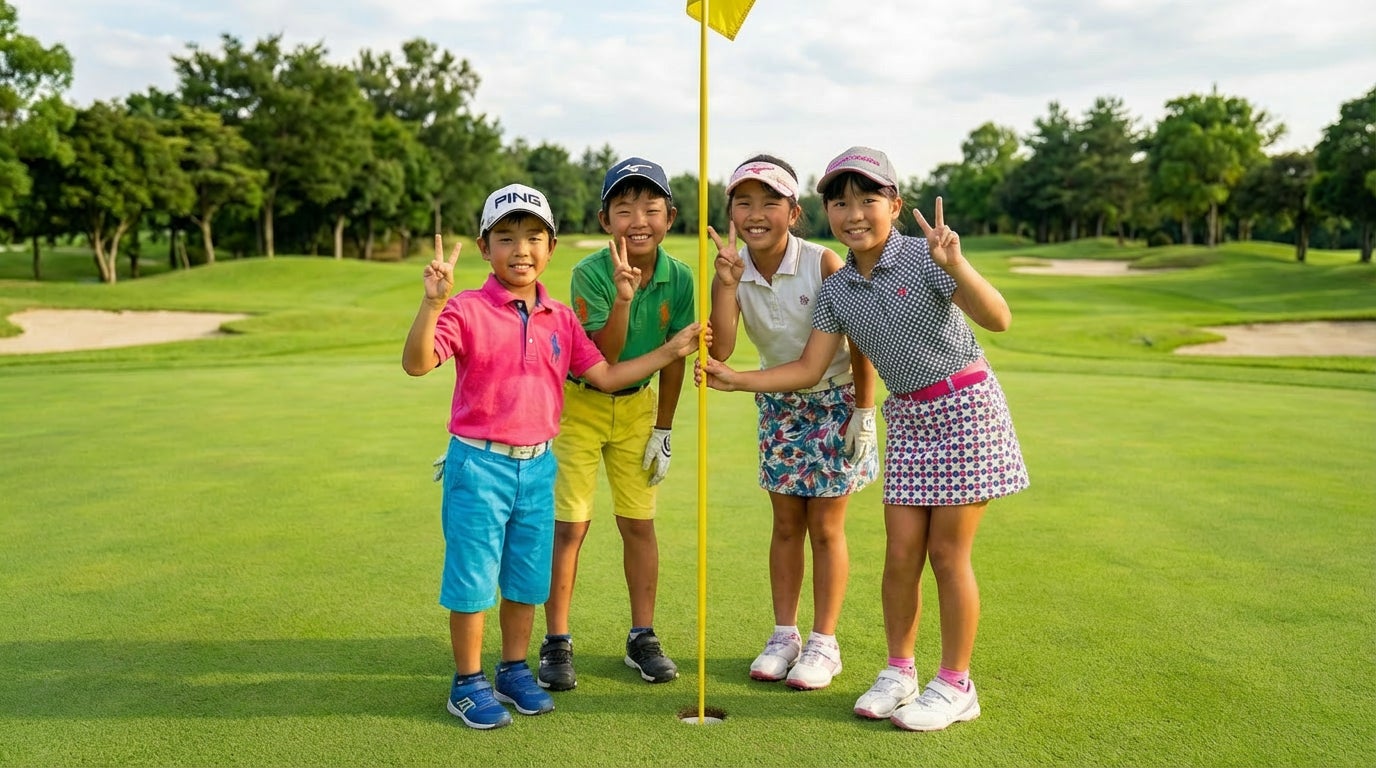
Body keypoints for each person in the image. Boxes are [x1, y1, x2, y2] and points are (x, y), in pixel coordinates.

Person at [698, 147, 1029, 731]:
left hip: (965, 408)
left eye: (868, 199)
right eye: (841, 201)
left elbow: (998, 318)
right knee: (901, 554)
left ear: (895, 205)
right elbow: (806, 368)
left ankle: (956, 684)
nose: (854, 212)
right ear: (824, 210)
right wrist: (737, 379)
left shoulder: (924, 257)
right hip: (909, 419)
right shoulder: (839, 288)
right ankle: (900, 671)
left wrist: (957, 266)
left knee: (948, 556)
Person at [402, 183, 701, 730]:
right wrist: (432, 301)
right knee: (473, 580)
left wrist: (667, 351)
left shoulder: (560, 317)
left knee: (525, 579)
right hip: (479, 464)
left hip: (538, 466)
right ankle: (466, 683)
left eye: (533, 236)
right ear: (485, 246)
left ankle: (513, 669)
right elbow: (418, 364)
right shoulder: (467, 308)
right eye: (506, 237)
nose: (521, 248)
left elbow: (606, 374)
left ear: (551, 247)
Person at [705, 154, 878, 691]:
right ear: (731, 211)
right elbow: (727, 346)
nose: (756, 214)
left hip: (835, 401)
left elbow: (861, 340)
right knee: (785, 526)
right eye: (744, 202)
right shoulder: (734, 268)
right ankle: (785, 635)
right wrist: (727, 285)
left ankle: (825, 643)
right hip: (779, 406)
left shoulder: (822, 262)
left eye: (770, 203)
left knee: (825, 529)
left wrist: (865, 412)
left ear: (794, 211)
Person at [539, 157, 696, 690]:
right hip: (579, 405)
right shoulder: (589, 273)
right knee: (571, 527)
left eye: (650, 208)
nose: (638, 219)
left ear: (670, 216)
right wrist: (625, 297)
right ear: (606, 220)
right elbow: (602, 361)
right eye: (624, 209)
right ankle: (556, 640)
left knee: (638, 523)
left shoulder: (681, 277)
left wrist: (665, 428)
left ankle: (642, 636)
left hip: (637, 410)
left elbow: (677, 360)